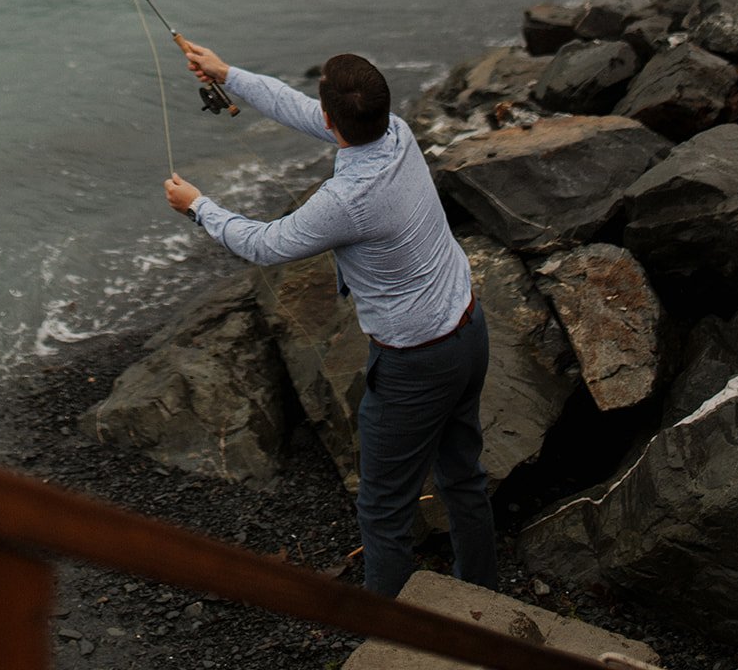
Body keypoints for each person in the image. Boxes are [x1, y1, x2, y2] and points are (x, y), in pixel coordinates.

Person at [164, 40, 498, 598]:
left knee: (384, 509)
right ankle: (483, 594)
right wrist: (229, 74)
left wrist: (199, 206)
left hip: (416, 363)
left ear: (331, 117)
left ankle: (388, 634)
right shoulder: (396, 132)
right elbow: (303, 109)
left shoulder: (346, 200)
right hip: (469, 328)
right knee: (463, 476)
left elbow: (266, 244)